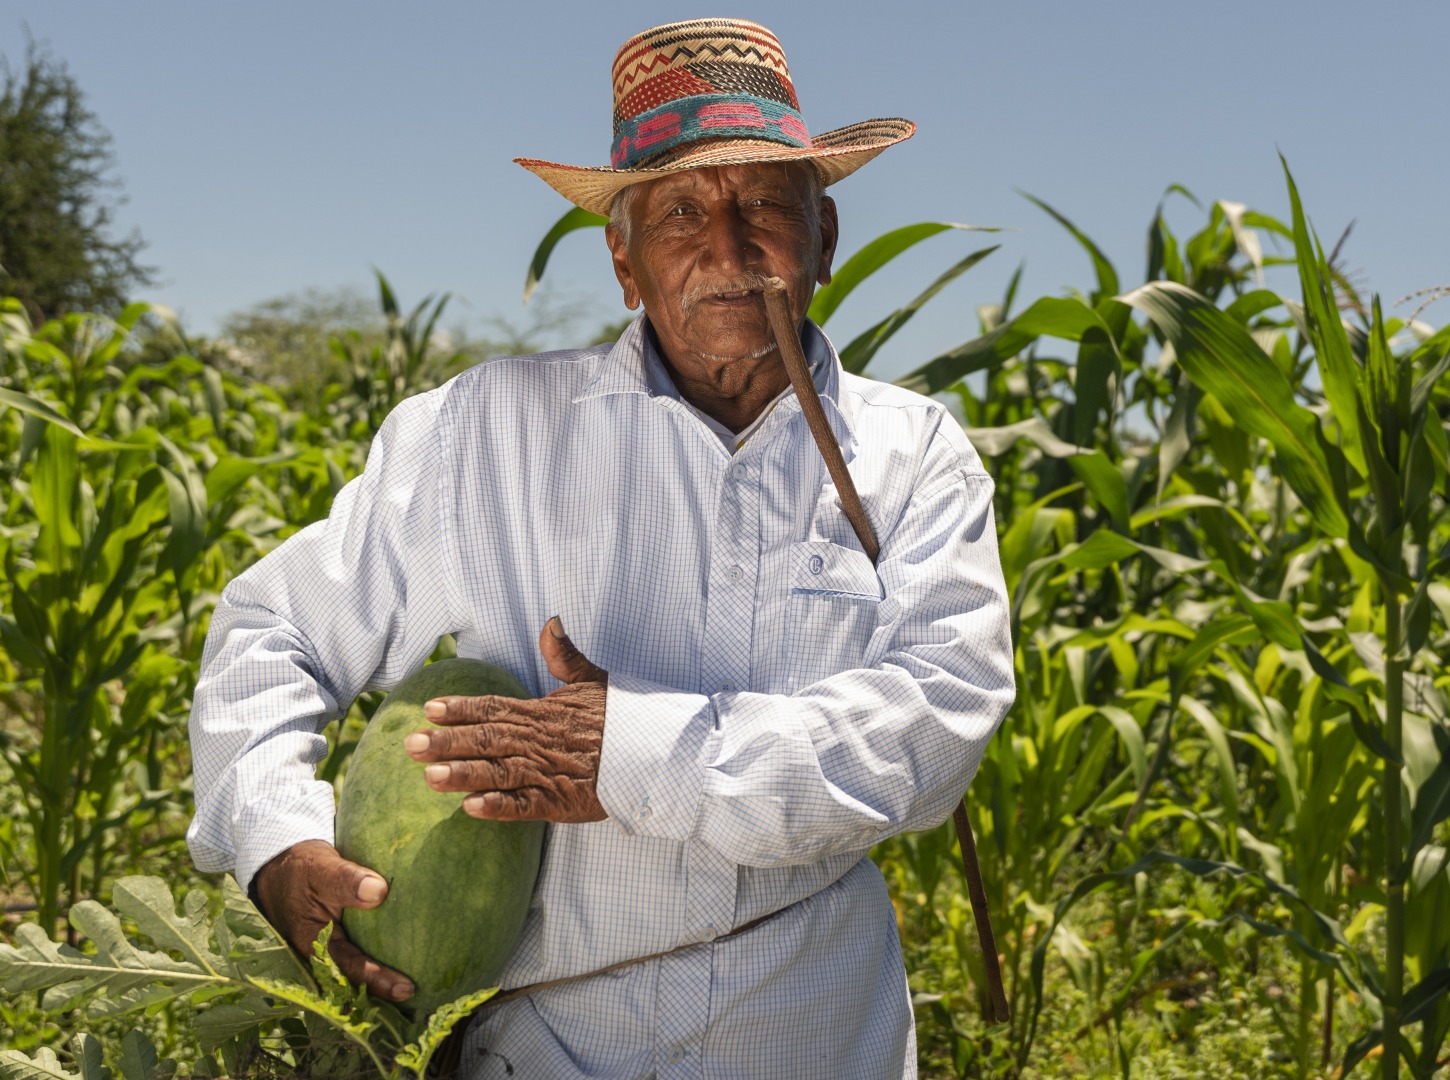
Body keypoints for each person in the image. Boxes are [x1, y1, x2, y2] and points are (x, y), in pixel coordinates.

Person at [185, 18, 1014, 1079]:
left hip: (820, 1037)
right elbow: (273, 630)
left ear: (825, 235)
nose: (729, 248)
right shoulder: (486, 433)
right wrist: (274, 843)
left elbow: (940, 720)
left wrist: (627, 755)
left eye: (767, 203)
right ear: (623, 259)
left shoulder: (913, 453)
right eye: (679, 212)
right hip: (549, 1047)